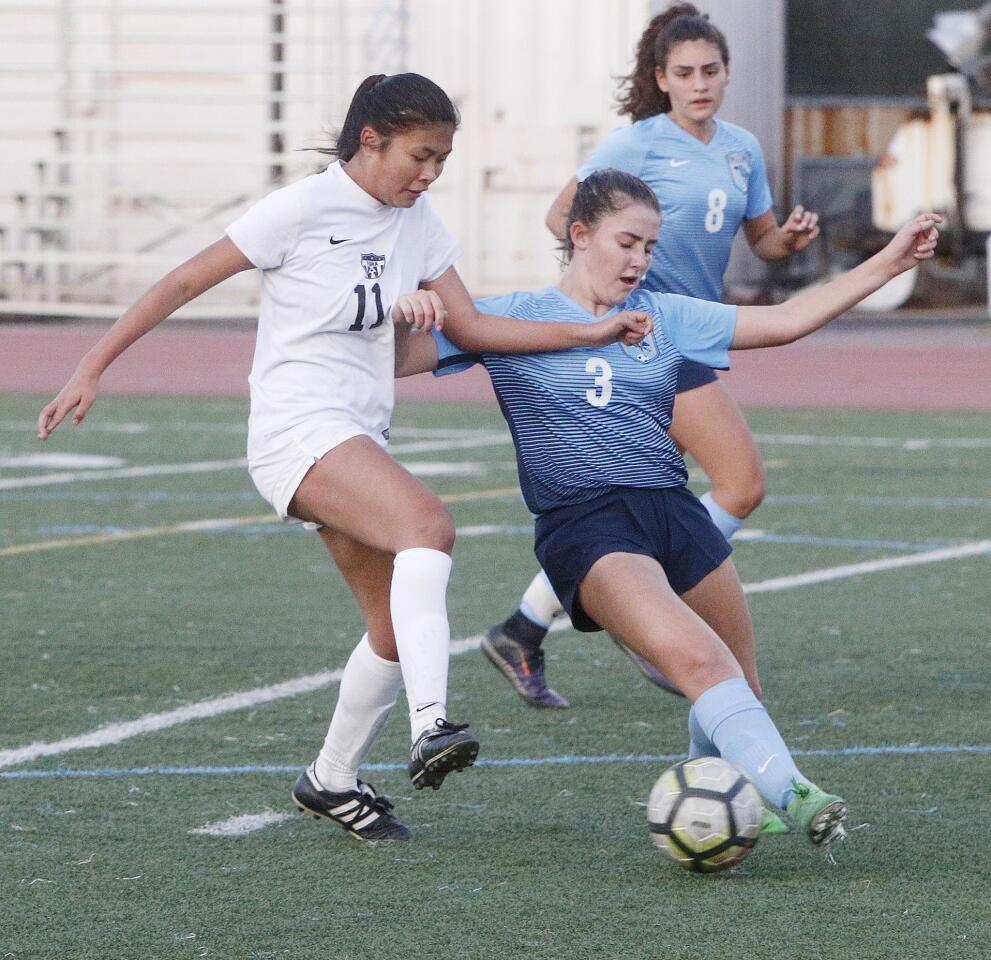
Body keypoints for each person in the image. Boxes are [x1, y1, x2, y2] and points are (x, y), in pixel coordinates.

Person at [35, 74, 651, 843]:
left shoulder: (416, 220)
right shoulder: (303, 208)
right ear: (371, 141)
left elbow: (475, 327)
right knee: (428, 523)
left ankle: (329, 779)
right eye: (419, 156)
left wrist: (584, 332)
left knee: (392, 627)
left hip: (357, 435)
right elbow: (185, 279)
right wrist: (92, 365)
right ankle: (430, 723)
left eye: (442, 160)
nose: (429, 174)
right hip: (296, 430)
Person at [406, 169, 941, 848]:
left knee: (738, 686)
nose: (639, 260)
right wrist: (402, 307)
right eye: (626, 242)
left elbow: (783, 321)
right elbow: (397, 359)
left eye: (650, 247)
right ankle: (796, 795)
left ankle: (706, 801)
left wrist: (890, 260)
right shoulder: (507, 319)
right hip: (587, 525)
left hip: (674, 513)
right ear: (578, 234)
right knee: (702, 664)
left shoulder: (665, 314)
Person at [482, 3, 822, 708]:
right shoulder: (635, 146)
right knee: (738, 481)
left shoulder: (741, 149)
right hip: (645, 340)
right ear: (660, 79)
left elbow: (760, 244)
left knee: (671, 494)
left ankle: (530, 624)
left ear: (727, 73)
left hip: (684, 333)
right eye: (683, 72)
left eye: (710, 70)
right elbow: (563, 218)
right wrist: (605, 304)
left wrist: (787, 240)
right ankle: (645, 614)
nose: (699, 83)